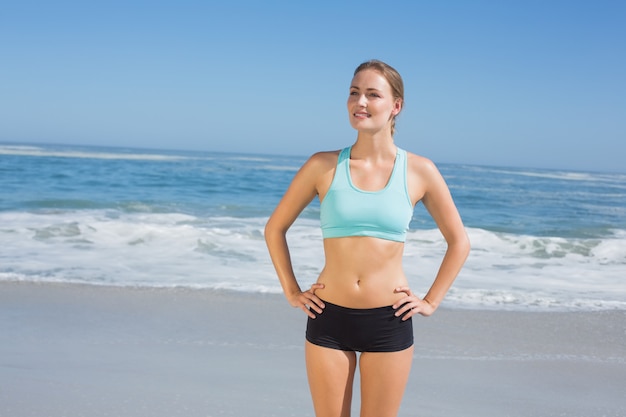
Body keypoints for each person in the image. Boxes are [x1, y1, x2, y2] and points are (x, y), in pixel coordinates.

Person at [264, 59, 470, 417]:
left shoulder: (420, 170)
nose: (360, 102)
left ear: (396, 106)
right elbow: (274, 228)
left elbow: (459, 242)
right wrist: (292, 291)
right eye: (354, 93)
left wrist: (431, 301)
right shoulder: (323, 166)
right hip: (329, 317)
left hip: (388, 320)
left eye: (372, 94)